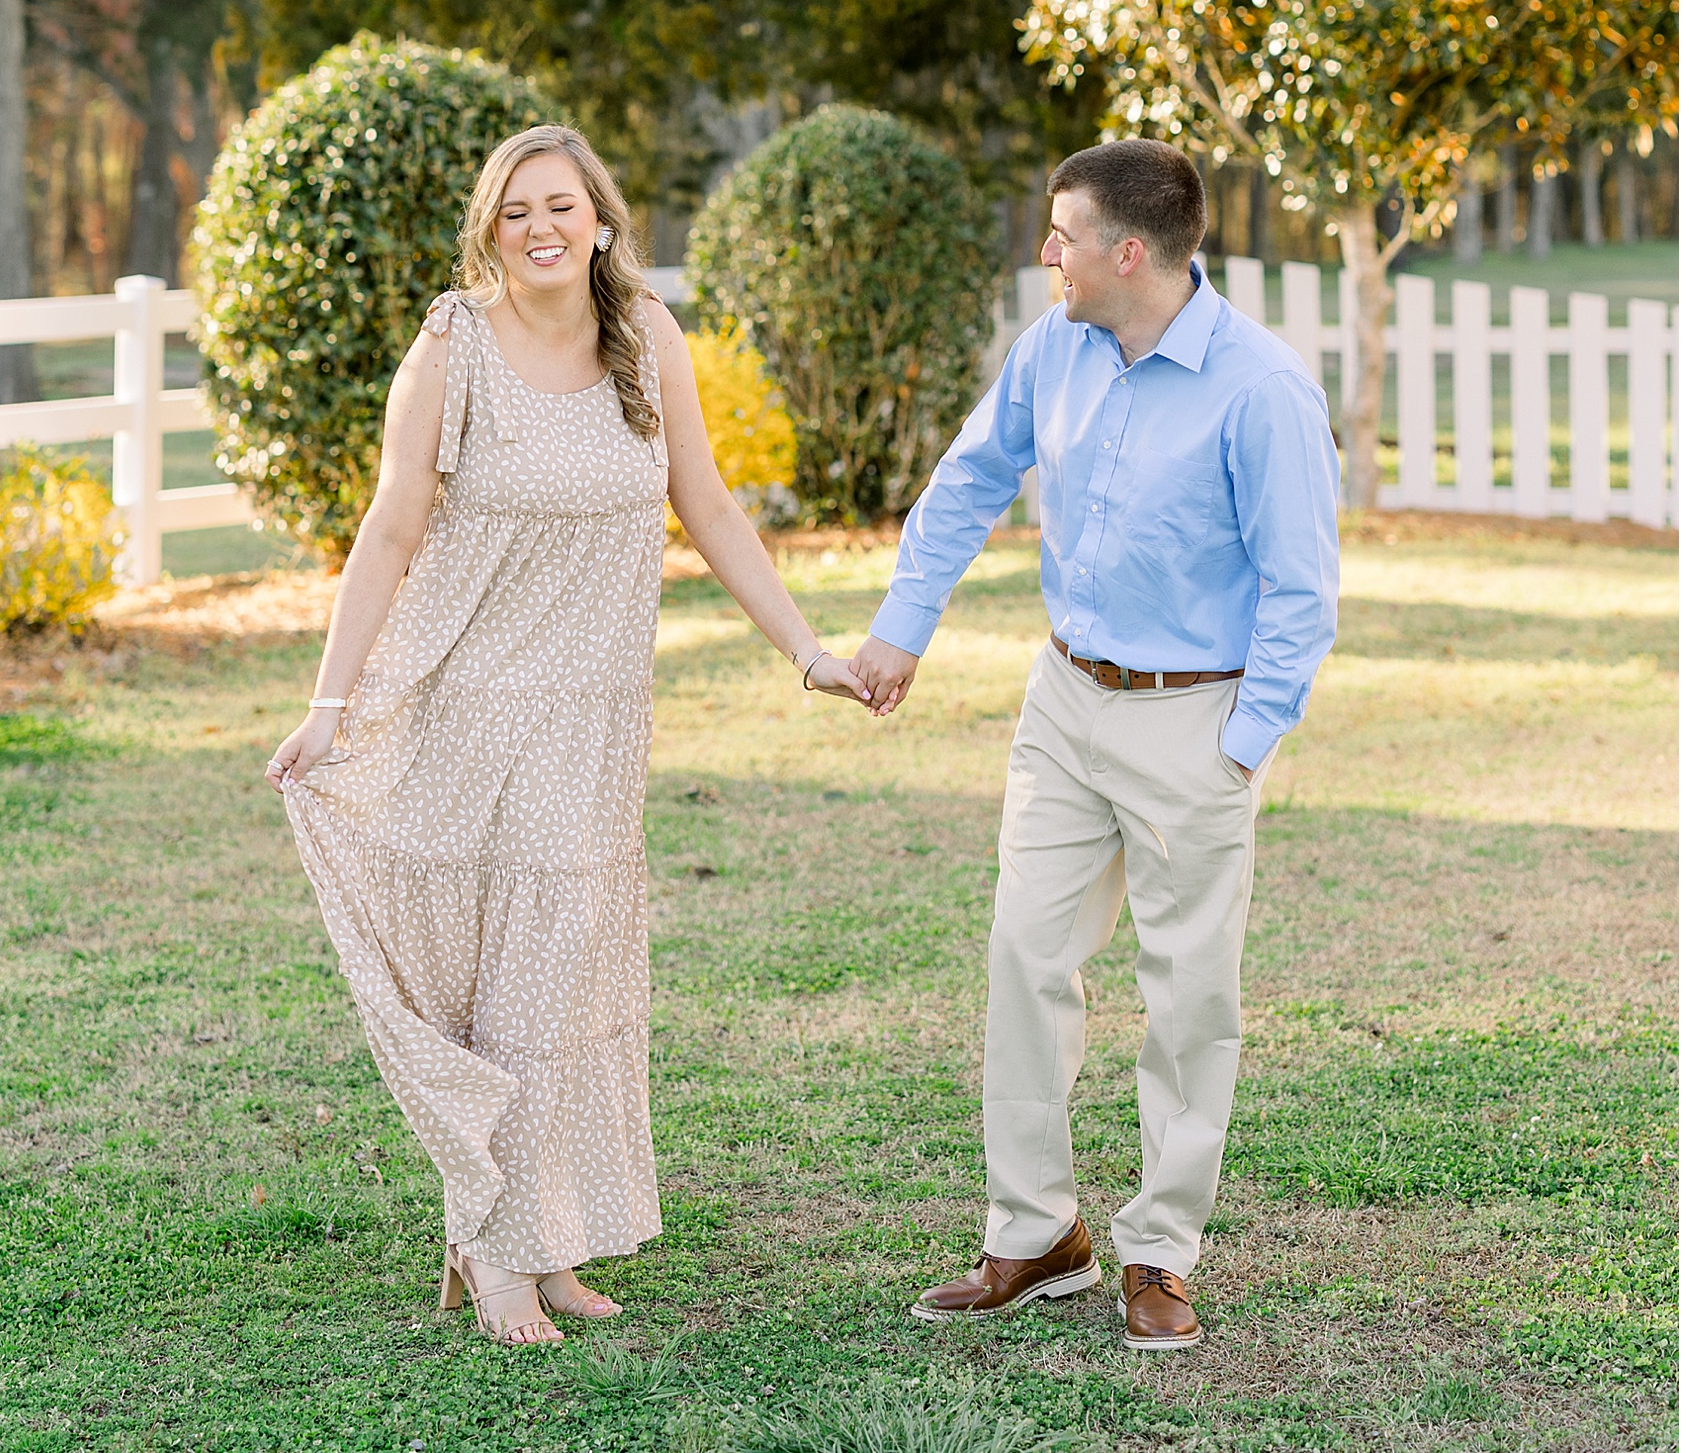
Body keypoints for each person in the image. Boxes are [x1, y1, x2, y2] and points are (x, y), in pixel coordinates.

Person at [265, 123, 867, 1345]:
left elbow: (705, 500)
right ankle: (497, 1249)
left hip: (596, 713)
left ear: (601, 218)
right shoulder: (453, 347)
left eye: (561, 206)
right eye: (514, 211)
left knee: (568, 972)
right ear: (491, 229)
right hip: (469, 696)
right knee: (516, 976)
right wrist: (329, 705)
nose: (539, 229)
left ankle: (534, 1234)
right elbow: (388, 529)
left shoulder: (647, 335)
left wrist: (806, 649)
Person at [850, 141, 1339, 1349]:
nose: (1046, 253)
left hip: (1197, 715)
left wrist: (1242, 743)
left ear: (1131, 252)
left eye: (1061, 233)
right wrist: (902, 629)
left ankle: (1160, 1250)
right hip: (1065, 701)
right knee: (1025, 953)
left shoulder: (1261, 388)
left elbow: (1302, 589)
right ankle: (1034, 1232)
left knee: (1187, 995)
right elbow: (969, 482)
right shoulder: (1053, 349)